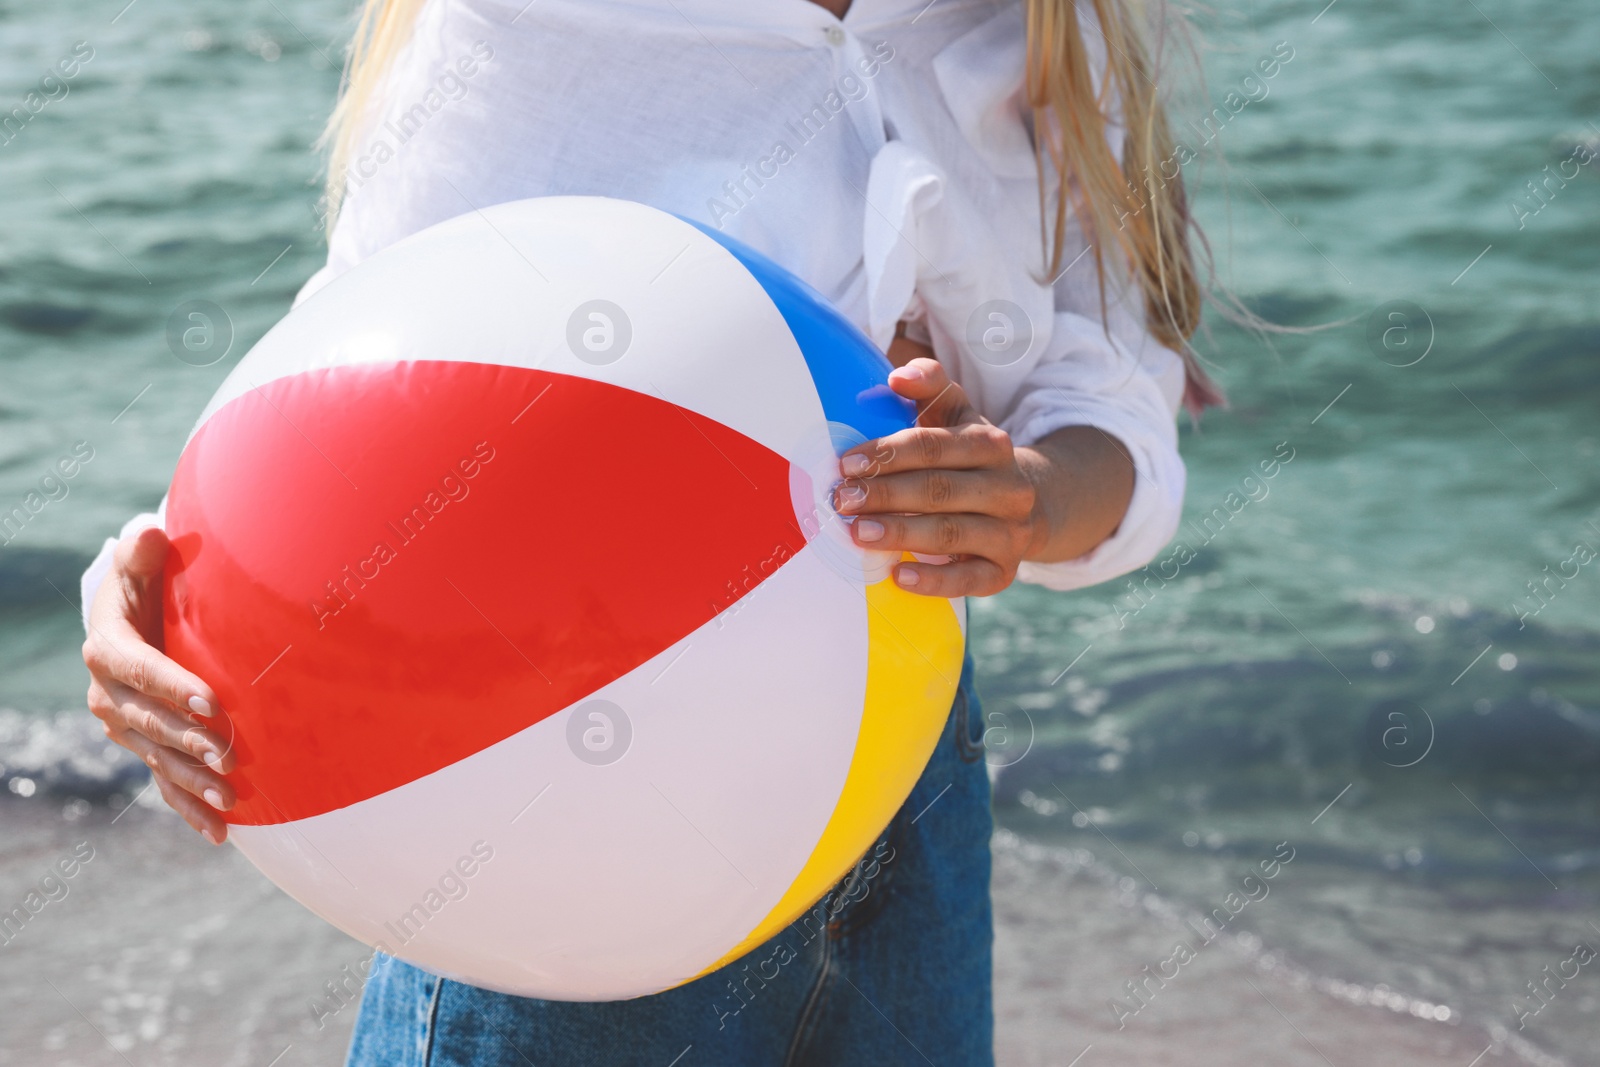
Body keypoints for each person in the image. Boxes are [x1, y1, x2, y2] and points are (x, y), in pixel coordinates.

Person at [80, 0, 1219, 1062]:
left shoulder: (1031, 26)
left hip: (904, 778)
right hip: (558, 791)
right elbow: (360, 369)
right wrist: (161, 574)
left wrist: (1024, 497)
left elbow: (1106, 395)